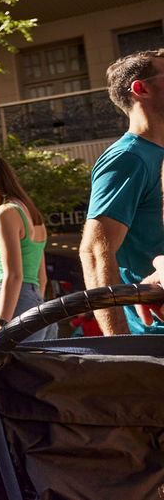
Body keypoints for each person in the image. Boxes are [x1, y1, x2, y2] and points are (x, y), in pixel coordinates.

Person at [80, 48, 164, 335]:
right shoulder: (127, 157)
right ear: (140, 89)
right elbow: (94, 252)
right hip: (153, 341)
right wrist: (119, 346)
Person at [0, 153, 55, 342]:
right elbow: (42, 277)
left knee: (2, 369)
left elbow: (14, 274)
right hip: (35, 299)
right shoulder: (32, 214)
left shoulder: (6, 213)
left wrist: (2, 322)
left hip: (11, 302)